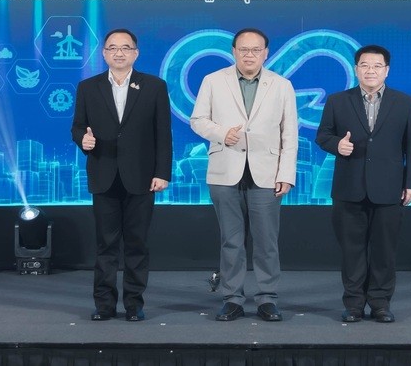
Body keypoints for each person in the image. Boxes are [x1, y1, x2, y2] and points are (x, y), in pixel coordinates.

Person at [190, 28, 298, 322]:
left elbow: (289, 133)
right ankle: (232, 298)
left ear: (266, 53)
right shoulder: (213, 80)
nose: (249, 55)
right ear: (234, 51)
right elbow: (198, 120)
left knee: (266, 242)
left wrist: (286, 173)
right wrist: (222, 133)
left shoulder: (282, 85)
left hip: (267, 172)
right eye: (244, 49)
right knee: (231, 241)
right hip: (225, 170)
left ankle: (267, 298)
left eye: (256, 50)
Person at [71, 28, 172, 322]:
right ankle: (104, 304)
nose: (119, 52)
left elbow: (163, 134)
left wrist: (162, 172)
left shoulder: (154, 86)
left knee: (137, 244)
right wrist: (82, 139)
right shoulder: (88, 87)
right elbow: (78, 126)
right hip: (103, 174)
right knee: (106, 245)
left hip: (142, 176)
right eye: (112, 47)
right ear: (104, 53)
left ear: (135, 53)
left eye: (125, 47)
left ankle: (134, 305)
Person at [315, 44, 411, 323]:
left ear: (387, 70)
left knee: (384, 251)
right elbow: (323, 135)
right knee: (352, 250)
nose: (370, 70)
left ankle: (380, 303)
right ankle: (353, 304)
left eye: (376, 66)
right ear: (356, 69)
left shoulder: (406, 103)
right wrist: (337, 145)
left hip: (389, 188)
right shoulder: (338, 101)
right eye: (364, 65)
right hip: (349, 187)